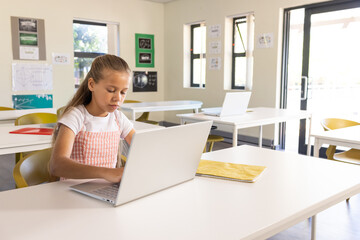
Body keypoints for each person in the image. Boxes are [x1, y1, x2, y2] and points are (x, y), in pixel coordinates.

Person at [50, 54, 135, 183]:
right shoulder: (76, 116)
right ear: (91, 85)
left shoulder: (118, 118)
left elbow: (140, 146)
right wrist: (106, 173)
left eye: (123, 92)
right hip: (73, 190)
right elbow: (56, 165)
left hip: (104, 190)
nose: (118, 98)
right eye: (111, 90)